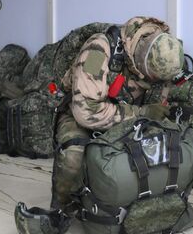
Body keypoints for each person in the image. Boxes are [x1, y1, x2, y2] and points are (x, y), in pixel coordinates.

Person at [51, 16, 184, 210]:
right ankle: (61, 209)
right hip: (81, 114)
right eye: (151, 78)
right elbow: (87, 111)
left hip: (128, 116)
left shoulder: (166, 53)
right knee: (73, 155)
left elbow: (159, 102)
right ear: (139, 61)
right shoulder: (97, 52)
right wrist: (141, 112)